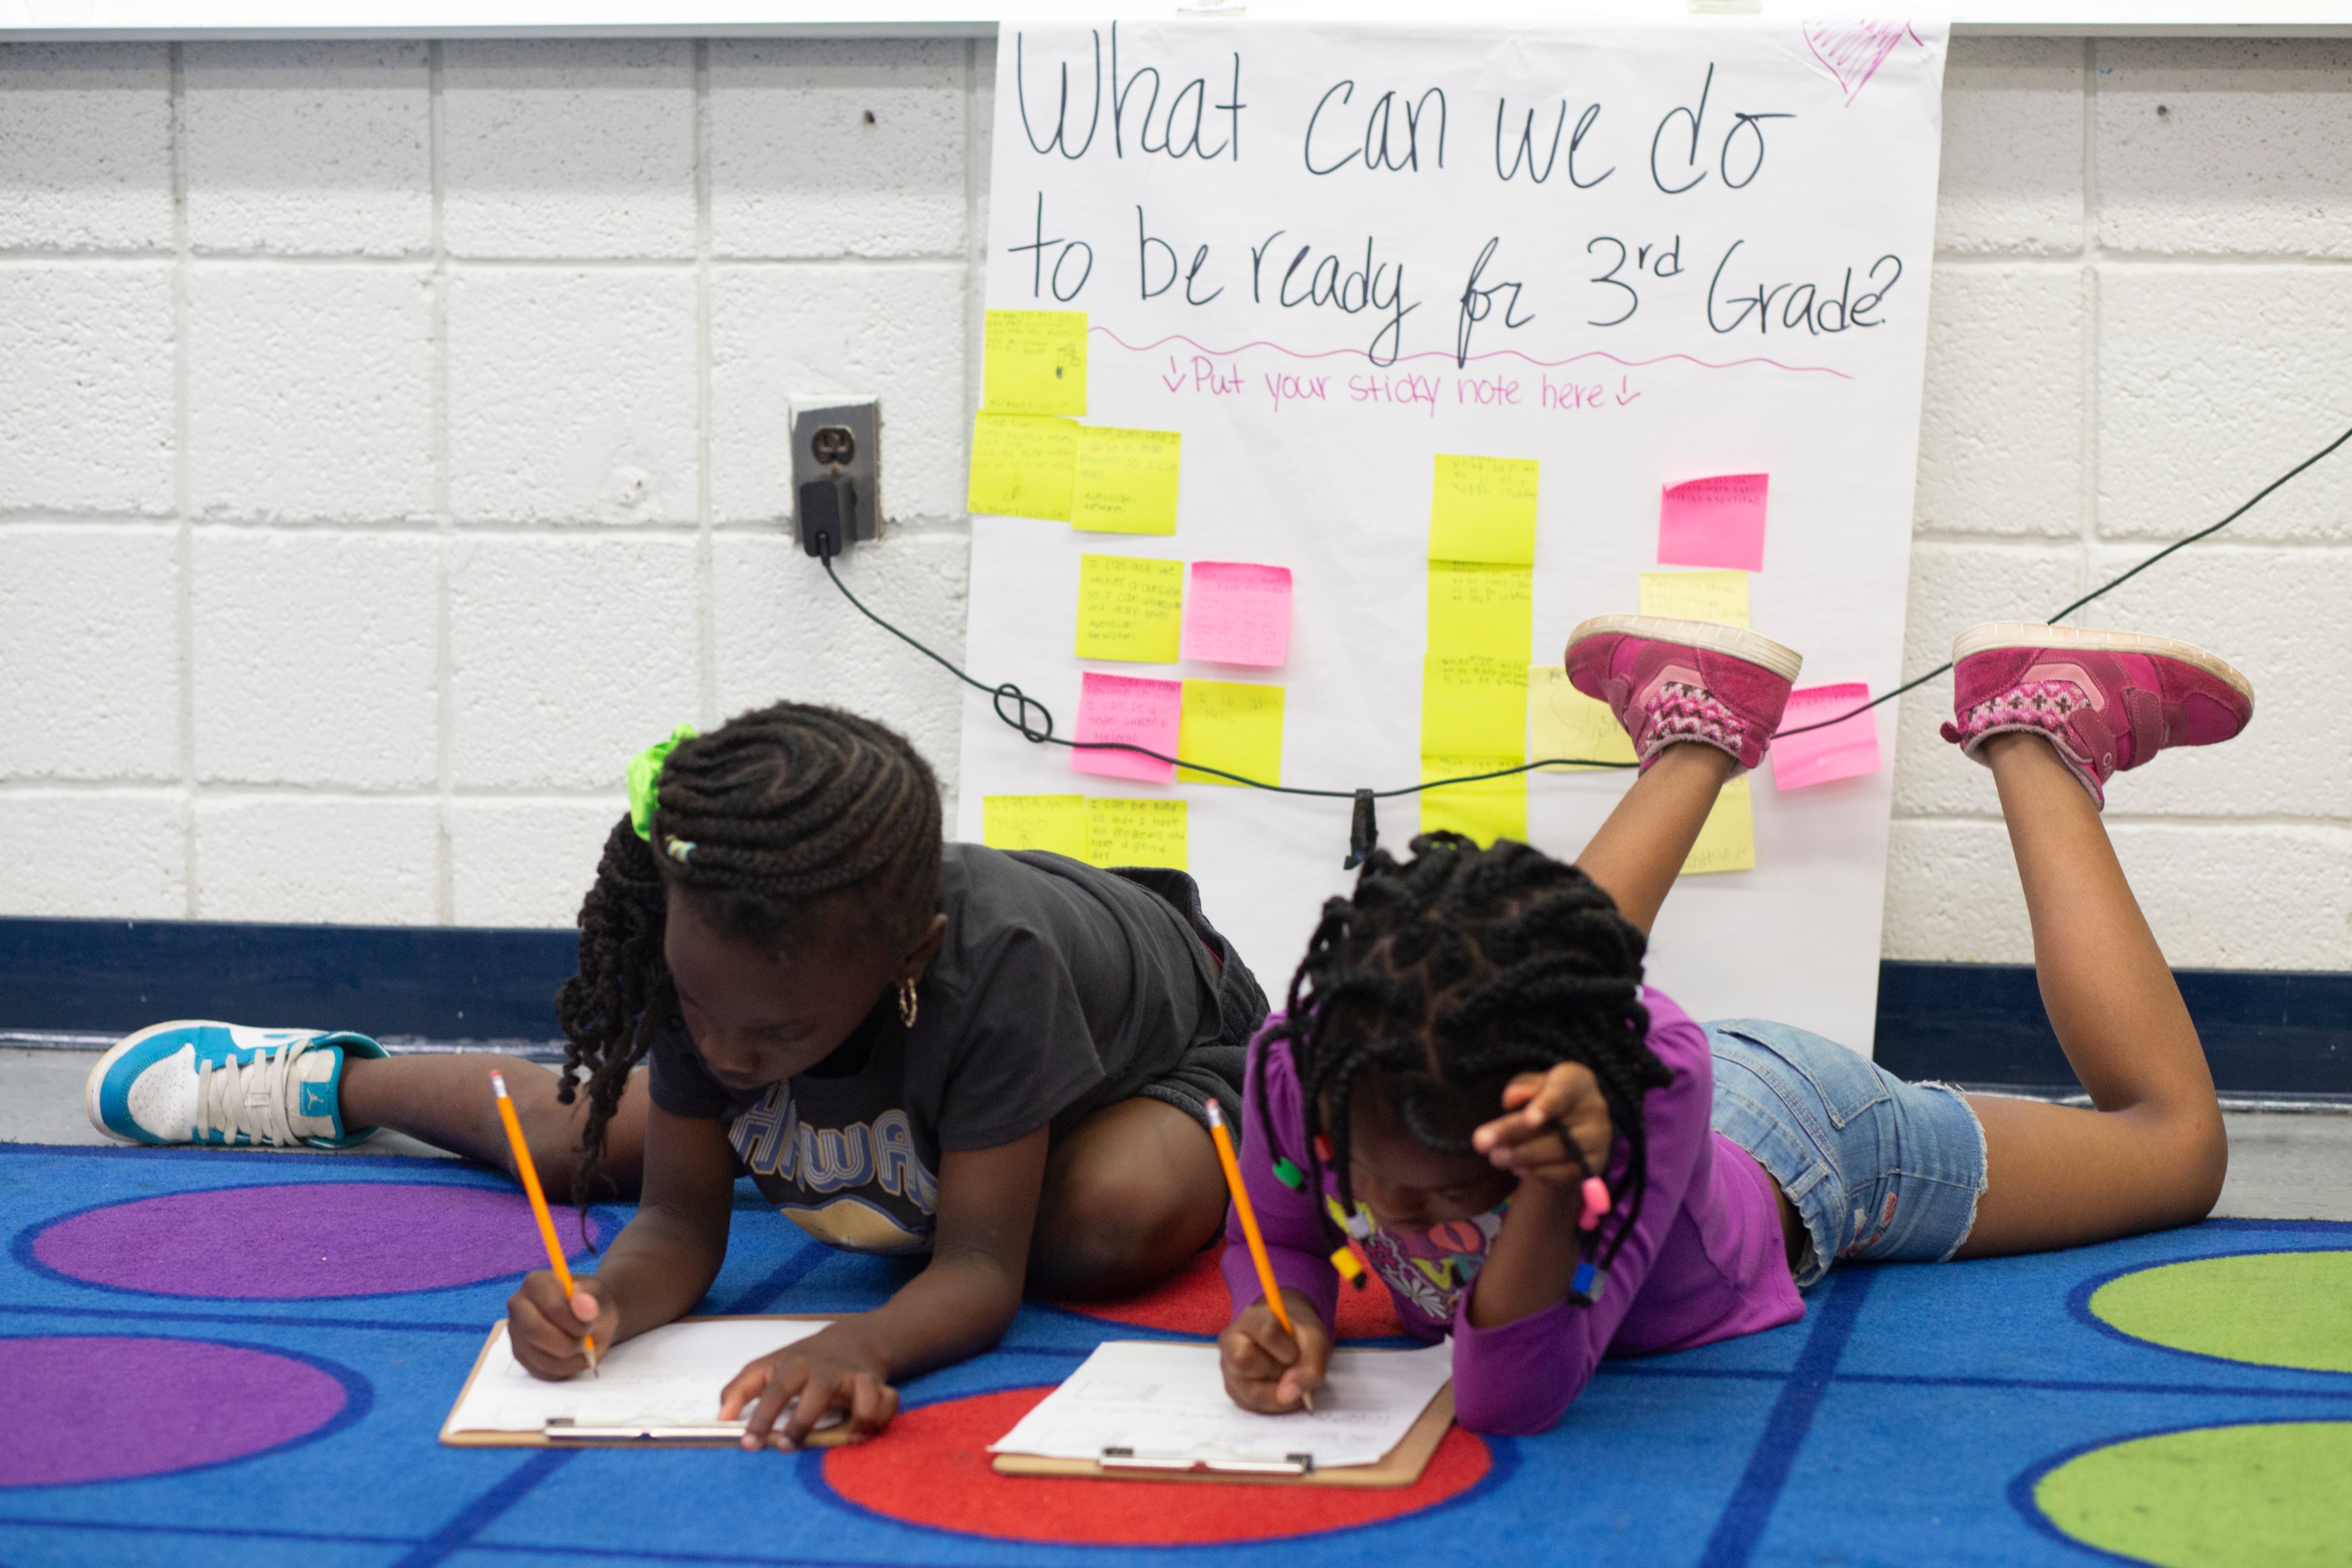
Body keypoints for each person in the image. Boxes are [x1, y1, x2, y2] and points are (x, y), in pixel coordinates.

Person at [87, 702, 1268, 1446]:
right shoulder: (718, 964)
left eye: (772, 1034)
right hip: (895, 1050)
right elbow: (680, 1225)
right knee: (585, 1140)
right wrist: (604, 1303)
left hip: (1163, 1053)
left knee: (1096, 1226)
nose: (726, 1054)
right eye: (697, 1008)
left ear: (906, 959)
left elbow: (971, 1267)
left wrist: (863, 1344)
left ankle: (946, 1153)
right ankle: (340, 1083)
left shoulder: (992, 966)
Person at [1217, 616, 2251, 1434]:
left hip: (1807, 1142)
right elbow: (1276, 1228)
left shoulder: (1636, 1089)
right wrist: (1294, 1308)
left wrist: (1552, 1179)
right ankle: (1700, 724)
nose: (1392, 1215)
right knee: (1531, 983)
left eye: (1442, 1189)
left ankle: (2039, 735)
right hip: (1603, 1066)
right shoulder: (1309, 1059)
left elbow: (1503, 1397)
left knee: (2174, 1147)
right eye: (1363, 1169)